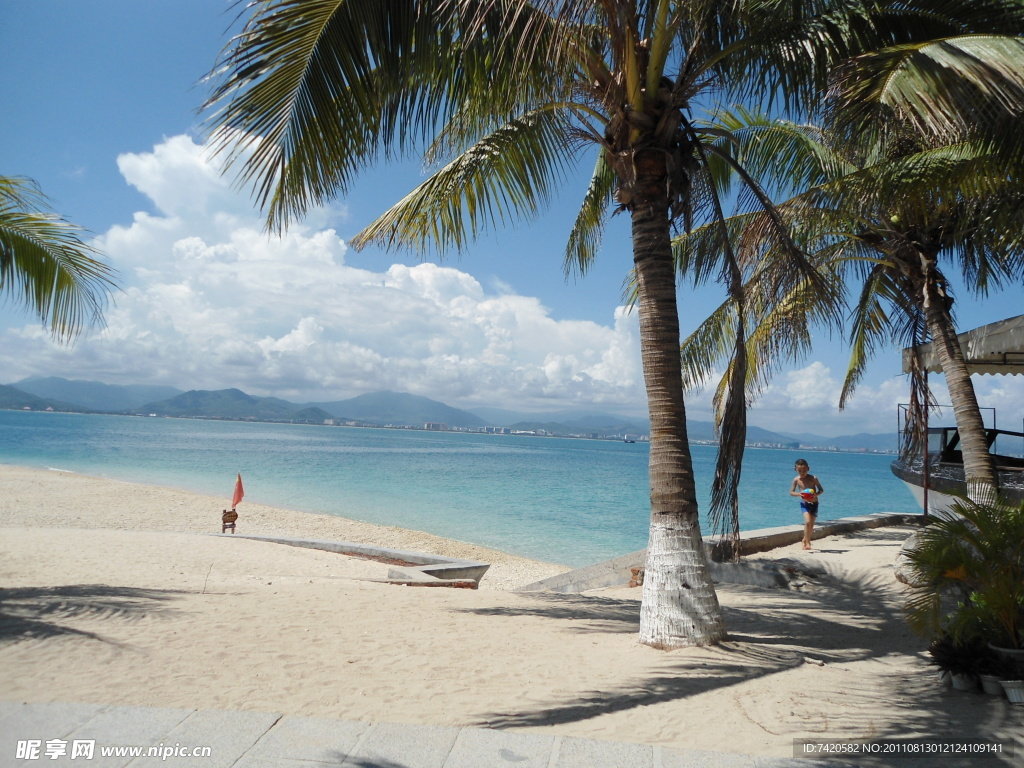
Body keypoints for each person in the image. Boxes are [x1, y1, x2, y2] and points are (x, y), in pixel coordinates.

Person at [790, 459, 824, 550]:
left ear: (808, 469)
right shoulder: (796, 480)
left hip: (814, 503)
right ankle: (808, 542)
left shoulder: (813, 478)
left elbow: (821, 490)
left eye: (804, 470)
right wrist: (799, 494)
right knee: (807, 522)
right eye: (800, 470)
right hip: (804, 503)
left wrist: (815, 494)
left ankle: (805, 539)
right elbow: (791, 492)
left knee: (811, 525)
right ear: (795, 469)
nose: (802, 472)